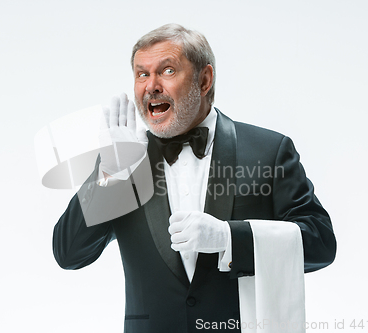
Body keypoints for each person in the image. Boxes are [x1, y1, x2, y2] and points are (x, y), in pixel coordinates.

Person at [53, 23, 336, 333]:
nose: (151, 86)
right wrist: (109, 175)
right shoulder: (121, 161)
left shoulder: (269, 151)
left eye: (167, 71)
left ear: (204, 80)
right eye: (142, 74)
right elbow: (69, 253)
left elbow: (320, 242)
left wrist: (230, 238)